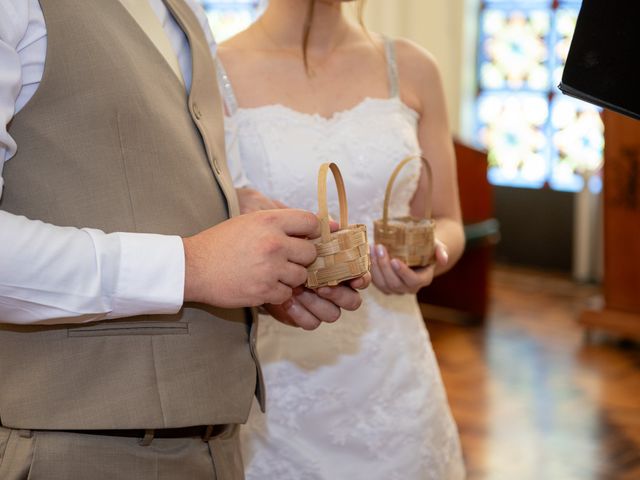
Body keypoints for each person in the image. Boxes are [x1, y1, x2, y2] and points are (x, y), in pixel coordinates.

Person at [0, 0, 369, 478]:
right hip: (77, 449)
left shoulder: (188, 10)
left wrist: (259, 260)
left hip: (220, 446)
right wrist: (191, 267)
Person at [216, 0, 467, 478]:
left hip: (396, 382)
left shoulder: (412, 68)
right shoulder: (213, 71)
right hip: (277, 383)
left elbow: (447, 220)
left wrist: (430, 258)